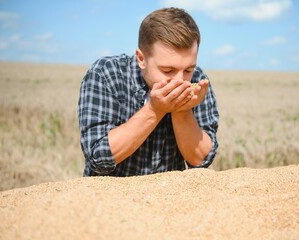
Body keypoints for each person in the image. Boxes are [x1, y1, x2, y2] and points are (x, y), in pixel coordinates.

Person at [78, 7, 219, 177]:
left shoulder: (198, 80)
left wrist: (182, 110)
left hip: (169, 199)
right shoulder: (107, 73)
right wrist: (155, 109)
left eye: (188, 69)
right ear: (141, 59)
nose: (180, 80)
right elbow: (98, 157)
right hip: (108, 200)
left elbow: (201, 161)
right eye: (168, 70)